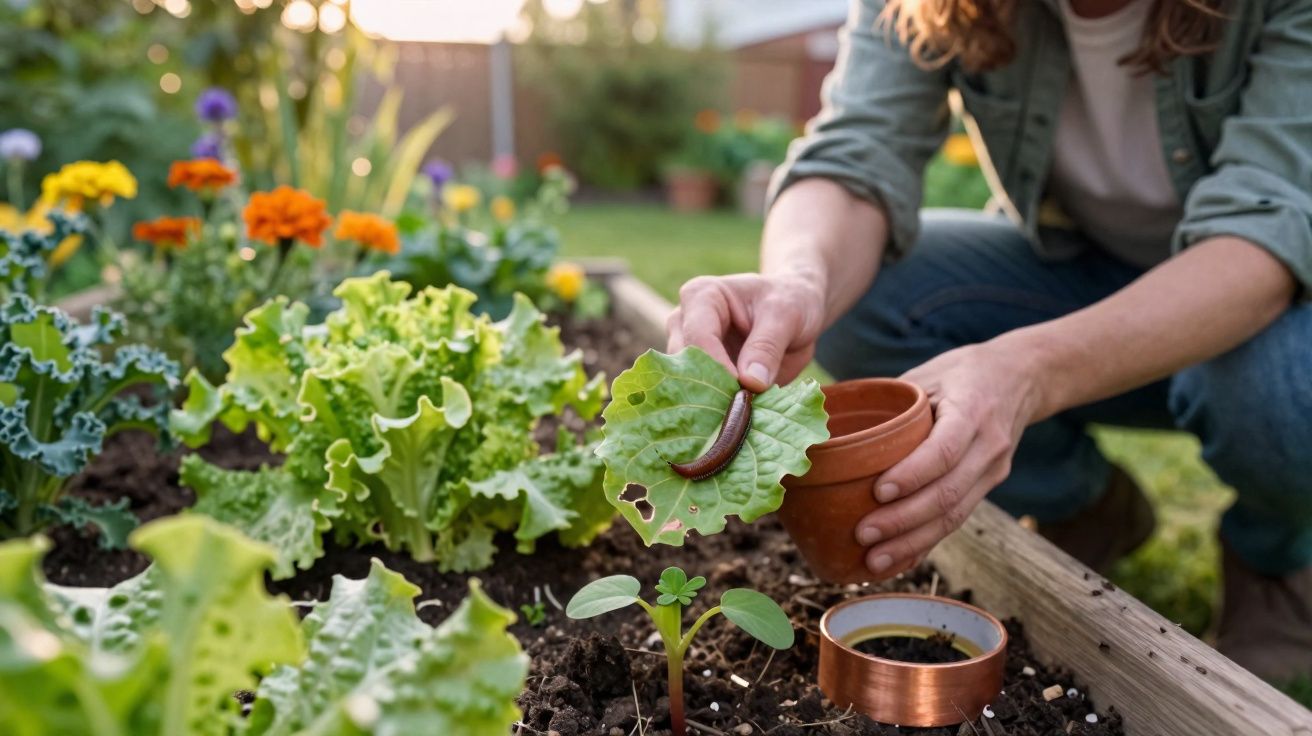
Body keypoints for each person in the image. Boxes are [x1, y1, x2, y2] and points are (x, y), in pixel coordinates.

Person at [666, 0, 1312, 685]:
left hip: (1265, 299)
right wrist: (800, 282)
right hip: (1080, 267)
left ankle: (1277, 565)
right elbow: (859, 147)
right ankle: (1086, 506)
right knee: (868, 304)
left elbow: (1267, 228)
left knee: (1275, 386)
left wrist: (1028, 369)